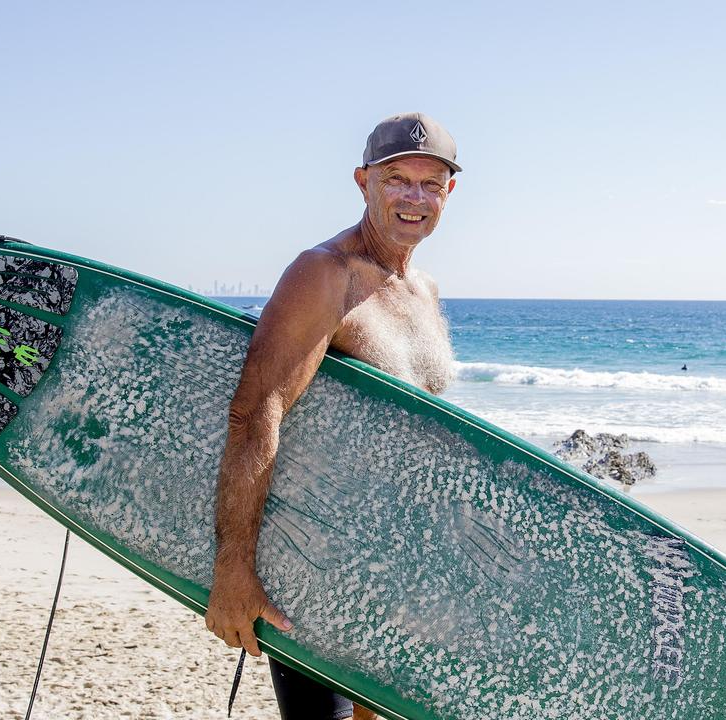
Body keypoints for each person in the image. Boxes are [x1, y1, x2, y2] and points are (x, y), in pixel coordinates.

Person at [205, 112, 461, 720]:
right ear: (363, 181)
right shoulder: (324, 274)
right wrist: (234, 568)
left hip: (396, 567)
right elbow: (256, 412)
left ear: (449, 193)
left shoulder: (423, 289)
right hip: (315, 567)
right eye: (397, 179)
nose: (413, 198)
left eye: (430, 184)